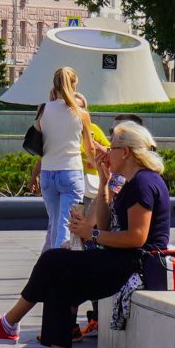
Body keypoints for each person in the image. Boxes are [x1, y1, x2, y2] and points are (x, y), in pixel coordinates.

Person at [0, 122, 173, 348]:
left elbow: (137, 237)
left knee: (53, 261)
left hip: (137, 265)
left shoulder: (144, 183)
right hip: (121, 258)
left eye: (111, 147)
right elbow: (109, 226)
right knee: (60, 286)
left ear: (126, 153)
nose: (106, 151)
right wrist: (103, 183)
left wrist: (93, 234)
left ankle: (8, 323)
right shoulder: (126, 181)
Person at [32, 66, 100, 251]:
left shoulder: (43, 109)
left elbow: (38, 142)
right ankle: (58, 267)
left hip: (47, 173)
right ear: (74, 86)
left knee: (55, 223)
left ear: (55, 86)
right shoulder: (82, 114)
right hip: (71, 172)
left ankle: (53, 264)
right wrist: (101, 169)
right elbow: (90, 148)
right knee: (65, 225)